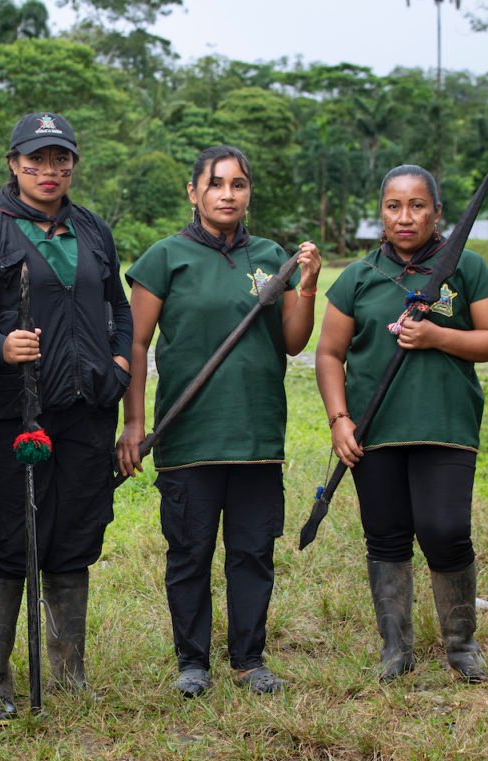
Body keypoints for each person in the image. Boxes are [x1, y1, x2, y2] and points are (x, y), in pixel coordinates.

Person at [116, 145, 321, 697]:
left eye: (238, 185)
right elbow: (135, 344)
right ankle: (193, 662)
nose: (227, 195)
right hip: (189, 437)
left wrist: (306, 285)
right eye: (216, 184)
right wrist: (134, 424)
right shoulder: (164, 258)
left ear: (249, 192)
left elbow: (294, 341)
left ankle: (249, 660)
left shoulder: (270, 255)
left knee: (252, 551)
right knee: (190, 551)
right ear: (194, 193)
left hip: (256, 438)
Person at [0, 112, 133, 721]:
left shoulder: (93, 230)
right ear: (13, 163)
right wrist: (1, 345)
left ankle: (69, 669)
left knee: (74, 536)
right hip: (14, 414)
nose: (49, 171)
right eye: (36, 159)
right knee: (7, 541)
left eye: (61, 159)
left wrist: (118, 362)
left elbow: (120, 308)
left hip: (86, 411)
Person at [315, 164, 488, 684]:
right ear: (380, 214)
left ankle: (461, 645)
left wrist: (437, 337)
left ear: (437, 212)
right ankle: (395, 648)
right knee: (385, 535)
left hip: (445, 425)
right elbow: (330, 354)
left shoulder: (465, 267)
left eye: (418, 205)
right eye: (394, 206)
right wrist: (339, 420)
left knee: (446, 532)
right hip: (374, 430)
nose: (406, 217)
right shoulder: (358, 276)